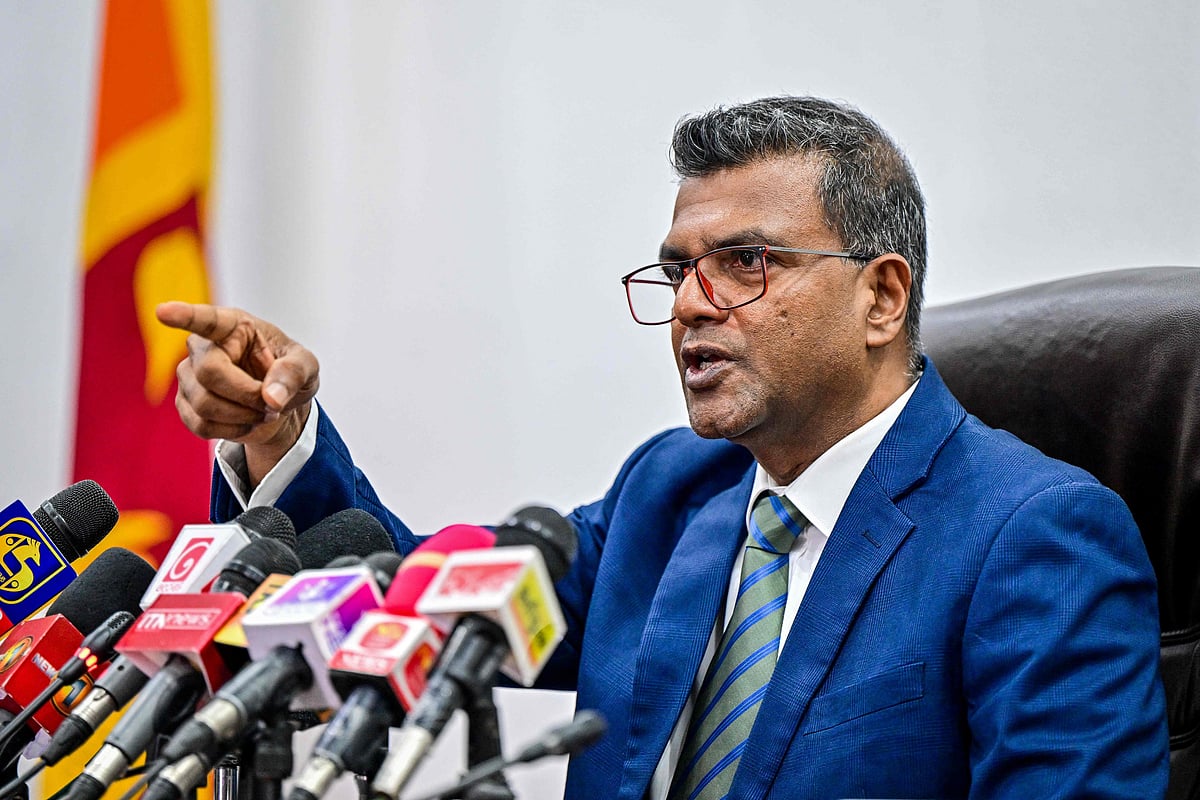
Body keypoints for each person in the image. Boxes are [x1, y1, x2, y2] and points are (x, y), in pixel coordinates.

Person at [157, 96, 1169, 799]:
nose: (691, 304)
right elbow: (410, 602)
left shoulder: (1037, 535)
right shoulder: (670, 492)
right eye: (678, 269)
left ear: (881, 295)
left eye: (744, 263)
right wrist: (274, 436)